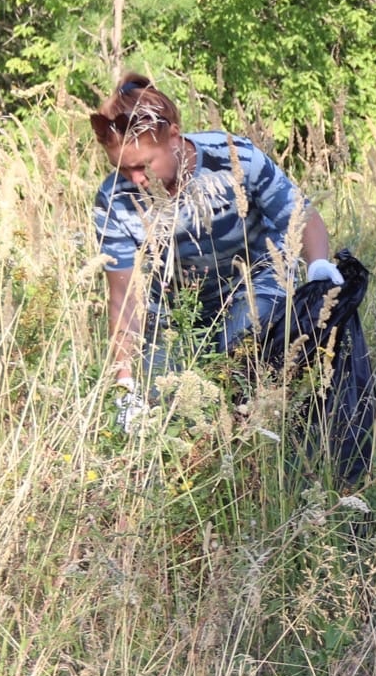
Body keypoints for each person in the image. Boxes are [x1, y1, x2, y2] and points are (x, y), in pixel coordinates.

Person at [90, 74, 338, 418]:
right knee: (166, 406)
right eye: (122, 168)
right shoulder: (114, 198)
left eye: (142, 165)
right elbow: (124, 300)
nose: (135, 178)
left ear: (174, 137)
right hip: (178, 314)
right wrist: (127, 383)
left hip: (255, 287)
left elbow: (301, 216)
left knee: (240, 355)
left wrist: (318, 268)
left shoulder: (235, 157)